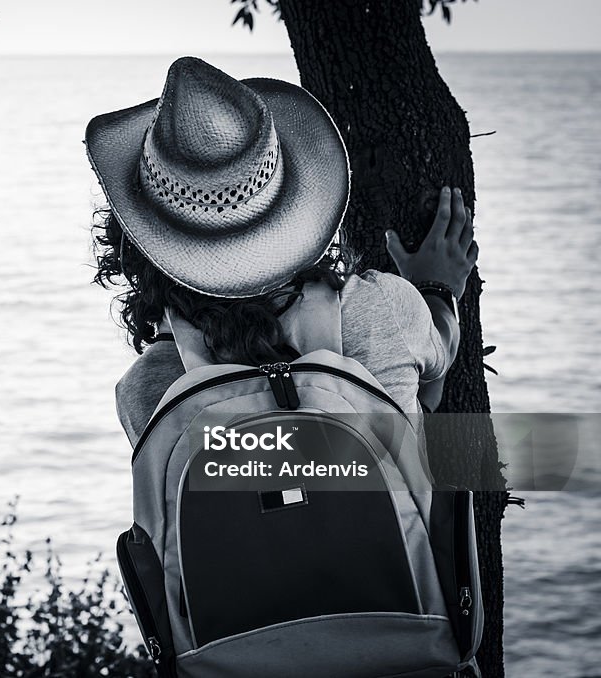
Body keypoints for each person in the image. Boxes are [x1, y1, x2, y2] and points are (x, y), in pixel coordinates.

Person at [85, 57, 478, 446]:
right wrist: (438, 289)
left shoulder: (143, 393)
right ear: (295, 205)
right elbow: (439, 356)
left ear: (139, 241)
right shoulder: (380, 308)